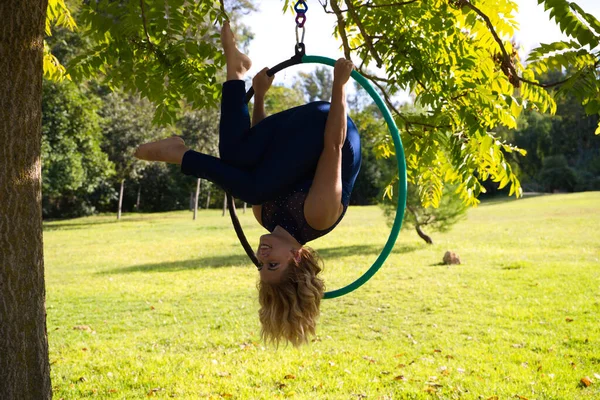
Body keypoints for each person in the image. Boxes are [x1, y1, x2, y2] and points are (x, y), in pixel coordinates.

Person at [134, 21, 361, 346]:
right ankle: (182, 156)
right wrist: (339, 86)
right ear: (296, 258)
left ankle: (235, 67)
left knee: (238, 155)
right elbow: (334, 147)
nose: (261, 254)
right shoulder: (319, 215)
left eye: (260, 265)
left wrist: (258, 99)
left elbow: (260, 160)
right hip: (330, 127)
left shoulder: (263, 215)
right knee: (249, 183)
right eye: (272, 263)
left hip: (298, 137)